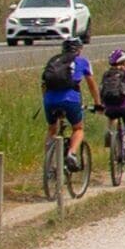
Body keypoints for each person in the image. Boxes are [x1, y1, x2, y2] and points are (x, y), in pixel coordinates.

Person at [37, 35, 95, 175]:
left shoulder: (54, 61)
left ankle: (49, 165)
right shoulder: (82, 62)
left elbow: (44, 84)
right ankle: (72, 154)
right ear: (79, 49)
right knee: (78, 128)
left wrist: (46, 101)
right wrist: (98, 103)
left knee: (52, 129)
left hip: (49, 99)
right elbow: (92, 86)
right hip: (70, 99)